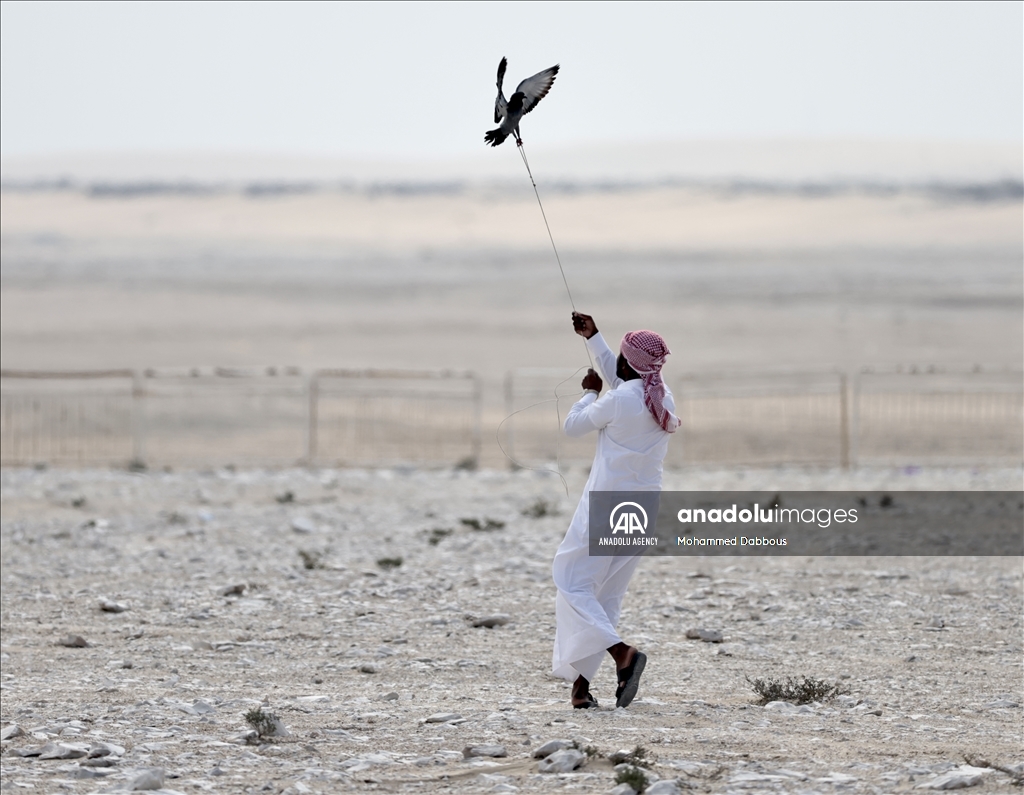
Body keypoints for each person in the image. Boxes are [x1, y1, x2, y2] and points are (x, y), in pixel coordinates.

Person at [551, 311, 679, 709]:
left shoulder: (618, 399)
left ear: (627, 363)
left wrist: (589, 392)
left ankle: (622, 653)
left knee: (571, 582)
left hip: (608, 506)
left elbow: (573, 426)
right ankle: (580, 687)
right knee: (604, 596)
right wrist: (594, 337)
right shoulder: (660, 396)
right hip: (643, 509)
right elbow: (623, 376)